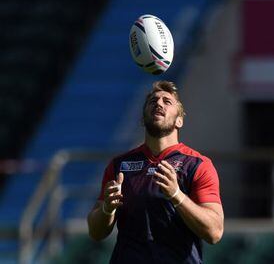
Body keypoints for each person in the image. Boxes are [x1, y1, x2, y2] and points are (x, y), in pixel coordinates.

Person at [87, 80, 224, 263]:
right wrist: (107, 209)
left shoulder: (197, 165)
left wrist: (177, 195)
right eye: (153, 101)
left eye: (167, 102)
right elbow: (96, 233)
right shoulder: (119, 165)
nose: (159, 103)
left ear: (179, 120)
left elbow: (214, 232)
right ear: (143, 118)